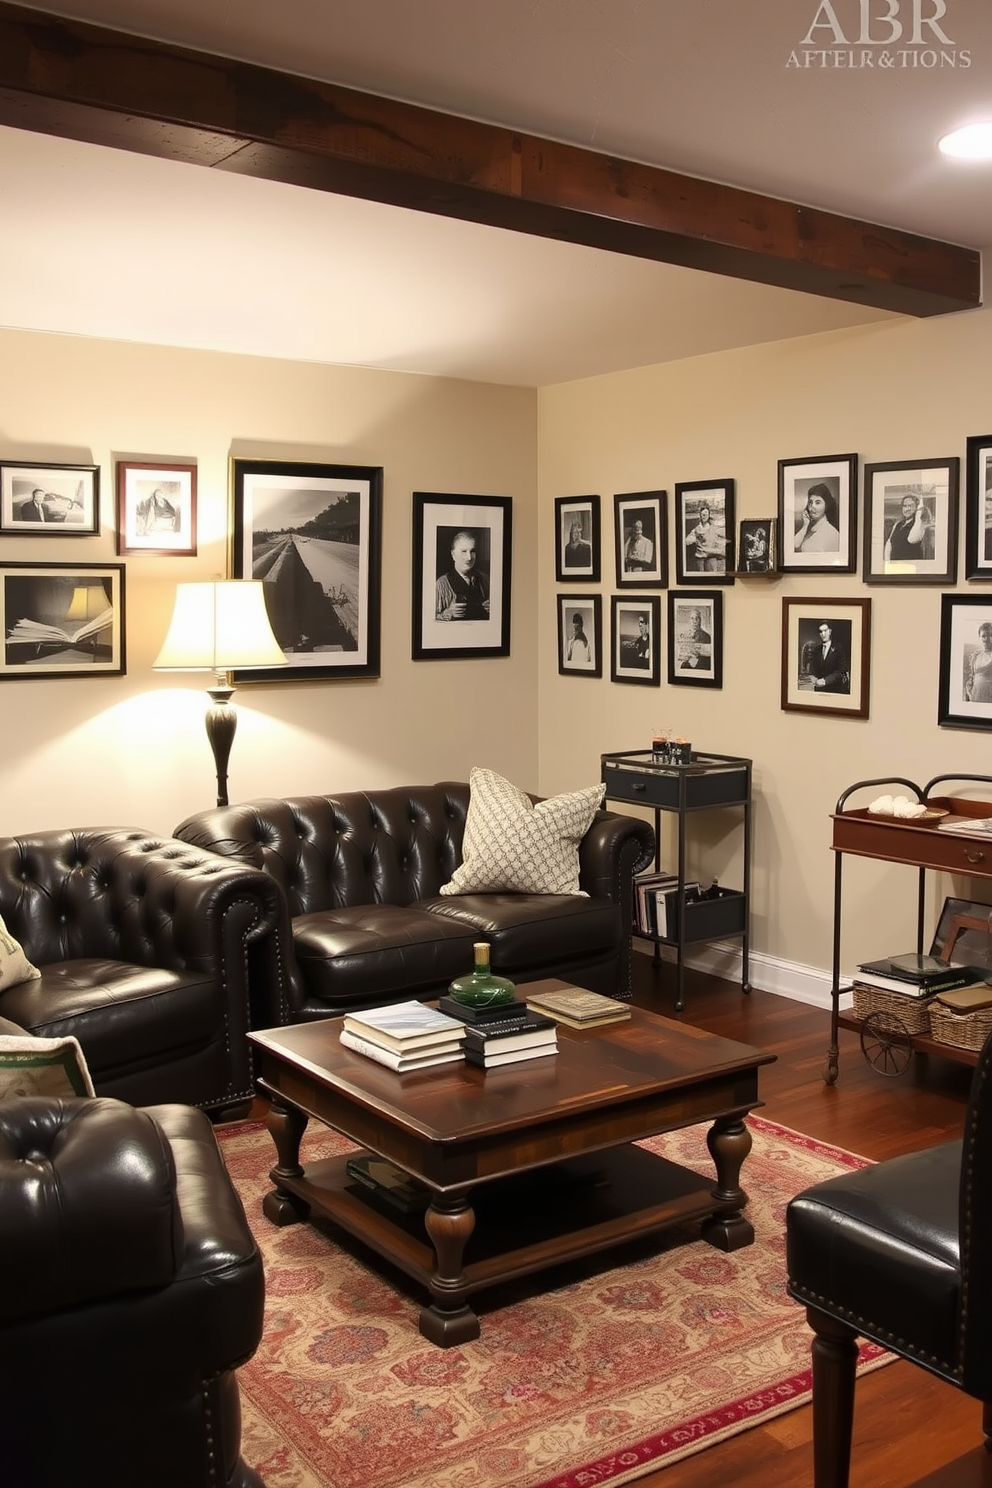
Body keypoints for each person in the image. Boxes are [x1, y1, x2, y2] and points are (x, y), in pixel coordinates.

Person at [435, 530, 490, 621]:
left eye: (472, 551)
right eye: (464, 551)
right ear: (453, 555)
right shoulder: (441, 584)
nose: (469, 557)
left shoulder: (485, 579)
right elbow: (428, 622)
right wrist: (448, 613)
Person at [884, 493, 934, 562]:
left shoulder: (919, 523)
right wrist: (887, 563)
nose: (907, 509)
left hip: (912, 567)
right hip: (895, 567)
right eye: (905, 506)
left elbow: (912, 539)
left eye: (911, 506)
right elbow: (889, 544)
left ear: (917, 507)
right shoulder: (898, 524)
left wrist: (919, 513)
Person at [803, 621, 849, 693]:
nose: (823, 634)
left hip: (835, 690)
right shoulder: (816, 649)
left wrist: (825, 680)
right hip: (819, 690)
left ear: (830, 631)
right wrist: (813, 677)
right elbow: (814, 669)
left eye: (825, 631)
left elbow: (842, 671)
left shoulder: (839, 648)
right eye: (821, 632)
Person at [794, 483, 840, 553]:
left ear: (827, 505)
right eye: (810, 502)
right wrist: (805, 525)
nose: (812, 507)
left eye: (817, 503)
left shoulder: (833, 534)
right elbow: (795, 545)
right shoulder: (810, 528)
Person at [686, 505, 726, 572]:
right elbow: (687, 540)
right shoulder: (696, 529)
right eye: (702, 514)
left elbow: (723, 543)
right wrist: (692, 539)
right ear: (700, 515)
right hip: (700, 558)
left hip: (711, 557)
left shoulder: (714, 528)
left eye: (706, 514)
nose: (704, 516)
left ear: (709, 515)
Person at [965, 622, 992, 703]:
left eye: (990, 635)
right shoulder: (976, 655)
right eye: (984, 636)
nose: (987, 639)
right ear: (980, 637)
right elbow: (972, 676)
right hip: (975, 693)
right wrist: (969, 692)